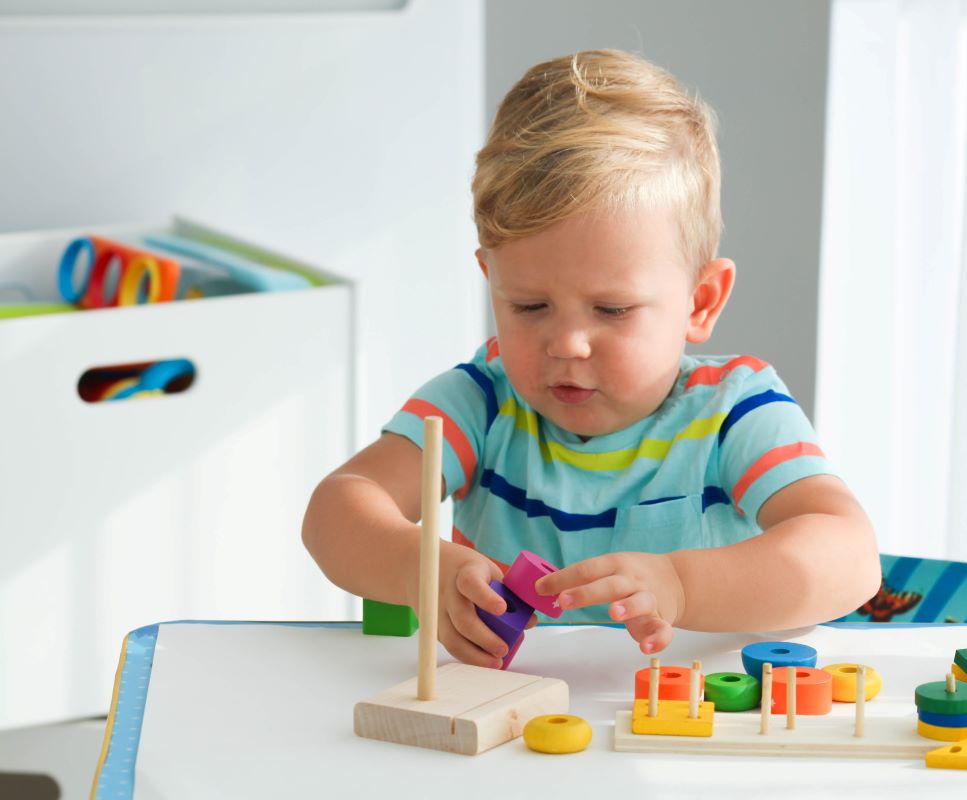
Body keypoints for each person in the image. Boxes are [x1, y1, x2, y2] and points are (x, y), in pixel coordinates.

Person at [303, 49, 880, 669]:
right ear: (490, 280)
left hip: (684, 729)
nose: (568, 344)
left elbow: (849, 556)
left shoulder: (736, 410)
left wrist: (682, 585)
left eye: (612, 310)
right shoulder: (479, 403)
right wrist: (422, 569)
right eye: (528, 305)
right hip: (508, 735)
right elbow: (337, 508)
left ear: (700, 300)